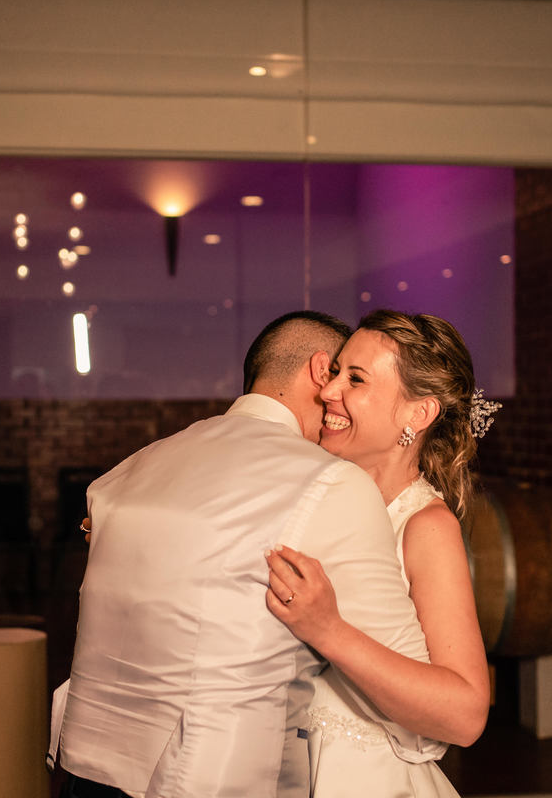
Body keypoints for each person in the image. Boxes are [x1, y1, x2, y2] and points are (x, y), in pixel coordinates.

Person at [56, 310, 435, 798]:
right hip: (207, 781)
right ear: (321, 371)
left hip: (81, 769)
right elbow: (422, 712)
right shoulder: (328, 483)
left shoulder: (127, 472)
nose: (338, 395)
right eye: (341, 373)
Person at [266, 310, 497, 797]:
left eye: (355, 379)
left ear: (418, 414)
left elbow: (466, 714)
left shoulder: (425, 526)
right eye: (334, 372)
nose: (329, 391)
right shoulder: (313, 497)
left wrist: (328, 630)